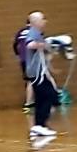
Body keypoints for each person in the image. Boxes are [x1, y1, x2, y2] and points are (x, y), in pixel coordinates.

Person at [24, 11, 60, 140]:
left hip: (40, 72)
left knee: (42, 98)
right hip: (36, 73)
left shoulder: (39, 34)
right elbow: (29, 45)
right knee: (49, 95)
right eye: (43, 19)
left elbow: (42, 55)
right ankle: (40, 124)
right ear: (36, 22)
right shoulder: (33, 33)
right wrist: (44, 44)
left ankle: (38, 126)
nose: (45, 21)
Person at [13, 20, 33, 110]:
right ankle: (28, 103)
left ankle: (31, 101)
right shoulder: (35, 32)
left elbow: (15, 45)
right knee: (32, 80)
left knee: (29, 80)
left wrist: (19, 55)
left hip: (23, 60)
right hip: (32, 59)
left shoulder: (20, 32)